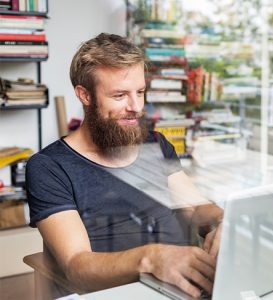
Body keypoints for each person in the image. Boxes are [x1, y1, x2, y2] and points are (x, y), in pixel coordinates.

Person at [26, 33, 223, 298]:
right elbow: (77, 265)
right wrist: (150, 258)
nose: (136, 107)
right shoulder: (49, 167)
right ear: (84, 95)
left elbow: (194, 207)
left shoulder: (155, 143)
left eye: (140, 92)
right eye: (119, 95)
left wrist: (223, 219)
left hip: (181, 287)